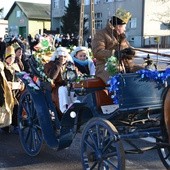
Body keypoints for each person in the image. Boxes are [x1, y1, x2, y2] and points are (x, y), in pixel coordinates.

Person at [92, 8, 141, 84]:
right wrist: (114, 54)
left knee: (144, 73)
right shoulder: (101, 34)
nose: (125, 29)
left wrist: (131, 53)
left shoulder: (122, 37)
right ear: (118, 26)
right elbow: (97, 52)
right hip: (107, 67)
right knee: (119, 79)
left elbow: (127, 50)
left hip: (126, 65)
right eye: (124, 26)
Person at [44, 46, 78, 114]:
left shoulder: (70, 65)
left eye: (65, 57)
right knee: (63, 90)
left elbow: (76, 76)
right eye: (60, 56)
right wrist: (59, 64)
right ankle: (65, 109)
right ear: (57, 56)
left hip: (70, 86)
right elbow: (52, 77)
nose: (63, 58)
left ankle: (75, 107)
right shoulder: (50, 64)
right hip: (56, 87)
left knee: (76, 90)